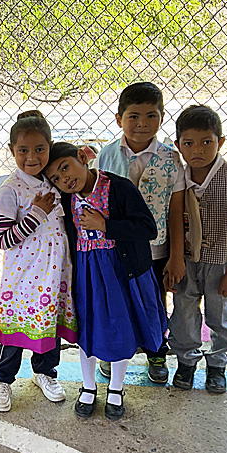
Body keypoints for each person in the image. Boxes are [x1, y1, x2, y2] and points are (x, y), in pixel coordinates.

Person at [45, 141, 166, 420]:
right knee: (87, 329)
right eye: (56, 178)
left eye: (66, 168)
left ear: (81, 157)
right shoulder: (66, 198)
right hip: (87, 274)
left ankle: (115, 388)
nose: (65, 179)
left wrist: (105, 226)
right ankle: (88, 387)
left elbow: (147, 228)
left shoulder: (119, 188)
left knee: (121, 329)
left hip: (121, 272)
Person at [95, 82, 185, 384]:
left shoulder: (171, 159)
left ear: (162, 118)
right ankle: (115, 352)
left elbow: (175, 209)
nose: (142, 124)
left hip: (156, 248)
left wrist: (175, 256)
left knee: (154, 300)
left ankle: (156, 350)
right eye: (133, 116)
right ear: (119, 119)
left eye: (151, 116)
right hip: (116, 246)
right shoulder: (106, 156)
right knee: (117, 299)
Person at [0, 111, 77, 413]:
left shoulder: (54, 183)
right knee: (15, 333)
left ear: (50, 147)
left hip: (53, 276)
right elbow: (3, 239)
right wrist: (36, 214)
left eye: (40, 148)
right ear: (12, 150)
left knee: (48, 326)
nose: (32, 156)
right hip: (24, 278)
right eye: (23, 150)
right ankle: (2, 379)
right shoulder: (9, 190)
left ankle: (45, 372)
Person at [169, 105, 227, 393]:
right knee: (184, 312)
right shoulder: (177, 177)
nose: (198, 150)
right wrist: (175, 258)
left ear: (221, 142)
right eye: (189, 143)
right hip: (186, 261)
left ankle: (217, 363)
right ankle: (186, 361)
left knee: (221, 315)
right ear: (178, 145)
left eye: (207, 142)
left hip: (220, 263)